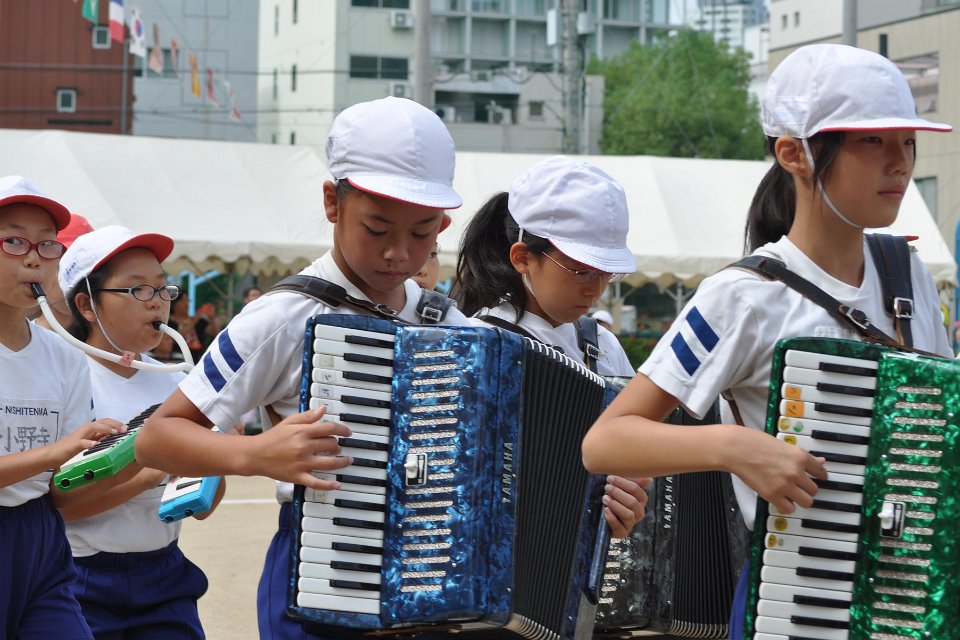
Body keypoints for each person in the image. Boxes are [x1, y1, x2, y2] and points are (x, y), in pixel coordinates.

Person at [580, 44, 953, 636]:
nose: (900, 162)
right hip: (796, 604)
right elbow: (606, 441)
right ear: (794, 153)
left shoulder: (909, 276)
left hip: (912, 601)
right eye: (872, 140)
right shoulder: (741, 295)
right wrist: (732, 447)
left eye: (907, 141)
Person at [134, 96, 476, 640]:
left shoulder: (451, 325)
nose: (398, 253)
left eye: (421, 234)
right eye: (378, 229)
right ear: (332, 203)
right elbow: (157, 438)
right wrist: (254, 455)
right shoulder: (281, 316)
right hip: (320, 573)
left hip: (431, 578)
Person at [450, 155, 648, 540]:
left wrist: (630, 500)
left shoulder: (603, 346)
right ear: (523, 258)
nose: (596, 289)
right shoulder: (475, 345)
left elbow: (633, 461)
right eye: (581, 270)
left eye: (607, 273)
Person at [57, 225, 222, 639]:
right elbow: (62, 507)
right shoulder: (67, 378)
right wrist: (148, 470)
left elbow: (202, 508)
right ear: (87, 305)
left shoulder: (176, 383)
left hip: (165, 572)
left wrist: (216, 453)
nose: (157, 302)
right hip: (81, 577)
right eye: (138, 289)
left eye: (163, 288)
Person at [0, 175, 125, 640]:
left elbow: (62, 483)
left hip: (41, 539)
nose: (34, 257)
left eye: (48, 244)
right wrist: (57, 452)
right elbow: (57, 455)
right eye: (14, 241)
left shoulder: (65, 357)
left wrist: (138, 451)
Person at [32, 212, 94, 332]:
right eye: (63, 267)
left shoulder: (123, 334)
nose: (78, 280)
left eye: (89, 267)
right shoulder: (24, 341)